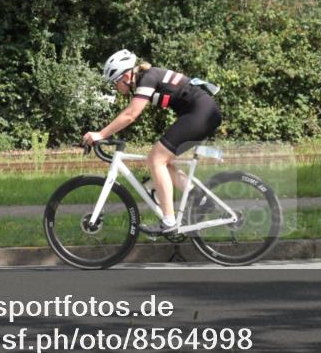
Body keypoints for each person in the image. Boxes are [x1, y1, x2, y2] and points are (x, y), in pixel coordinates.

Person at [82, 49, 222, 233]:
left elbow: (131, 115)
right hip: (203, 113)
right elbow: (131, 113)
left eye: (115, 83)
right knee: (163, 162)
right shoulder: (145, 78)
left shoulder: (147, 77)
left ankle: (169, 221)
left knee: (156, 159)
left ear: (125, 76)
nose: (116, 88)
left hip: (200, 113)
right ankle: (201, 199)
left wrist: (101, 134)